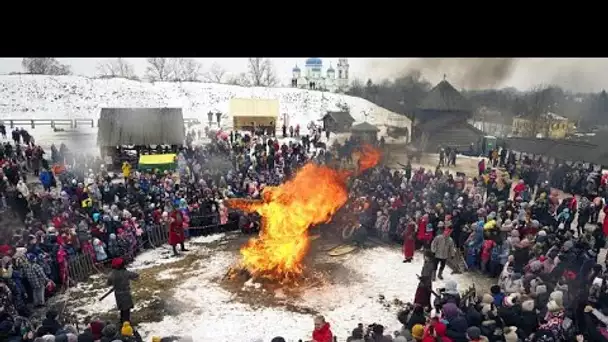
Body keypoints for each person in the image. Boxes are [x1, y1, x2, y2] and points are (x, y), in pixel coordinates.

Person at [107, 257, 139, 324]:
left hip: (118, 294)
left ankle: (122, 320)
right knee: (126, 310)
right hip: (126, 294)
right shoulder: (125, 272)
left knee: (122, 308)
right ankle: (126, 323)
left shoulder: (111, 274)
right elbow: (136, 276)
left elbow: (108, 283)